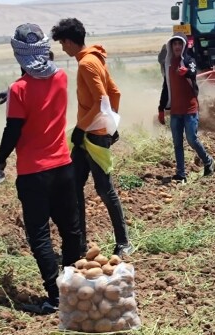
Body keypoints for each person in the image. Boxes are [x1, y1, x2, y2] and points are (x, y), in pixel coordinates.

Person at [0, 23, 82, 315]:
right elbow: (42, 82)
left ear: (18, 54)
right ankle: (72, 288)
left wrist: (0, 161)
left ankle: (55, 297)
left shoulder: (20, 90)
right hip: (64, 167)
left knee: (40, 234)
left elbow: (13, 129)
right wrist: (12, 91)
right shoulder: (62, 77)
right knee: (71, 231)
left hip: (34, 174)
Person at [50, 18, 132, 257]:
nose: (62, 49)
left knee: (104, 189)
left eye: (62, 43)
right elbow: (115, 92)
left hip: (92, 136)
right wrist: (110, 122)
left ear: (69, 41)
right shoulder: (95, 58)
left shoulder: (87, 63)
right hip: (92, 134)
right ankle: (80, 244)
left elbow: (101, 100)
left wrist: (82, 127)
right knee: (74, 189)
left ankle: (124, 242)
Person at [158, 33, 214, 182]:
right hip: (175, 111)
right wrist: (161, 109)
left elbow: (193, 72)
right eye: (174, 44)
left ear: (184, 46)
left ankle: (208, 161)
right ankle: (181, 173)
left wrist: (187, 73)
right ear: (171, 46)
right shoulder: (168, 64)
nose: (177, 47)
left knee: (191, 139)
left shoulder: (189, 60)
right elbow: (166, 87)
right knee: (177, 143)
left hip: (189, 109)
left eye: (179, 44)